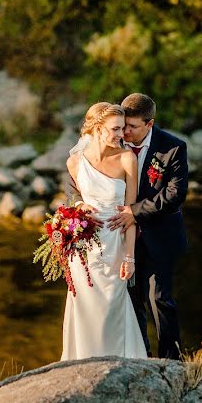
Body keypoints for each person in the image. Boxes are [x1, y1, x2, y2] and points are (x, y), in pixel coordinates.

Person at [60, 102, 147, 360]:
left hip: (114, 245)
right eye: (115, 129)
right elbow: (71, 199)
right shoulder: (74, 162)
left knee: (112, 306)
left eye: (123, 128)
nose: (122, 135)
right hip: (84, 250)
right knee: (85, 307)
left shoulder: (127, 159)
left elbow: (131, 215)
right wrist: (79, 206)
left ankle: (120, 362)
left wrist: (130, 257)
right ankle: (82, 362)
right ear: (97, 129)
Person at [107, 93, 188, 360]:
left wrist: (135, 212)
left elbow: (175, 195)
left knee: (159, 298)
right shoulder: (113, 141)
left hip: (159, 236)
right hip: (121, 237)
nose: (125, 132)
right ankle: (141, 356)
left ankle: (171, 360)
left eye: (132, 127)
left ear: (149, 124)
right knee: (132, 298)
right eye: (124, 125)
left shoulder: (173, 148)